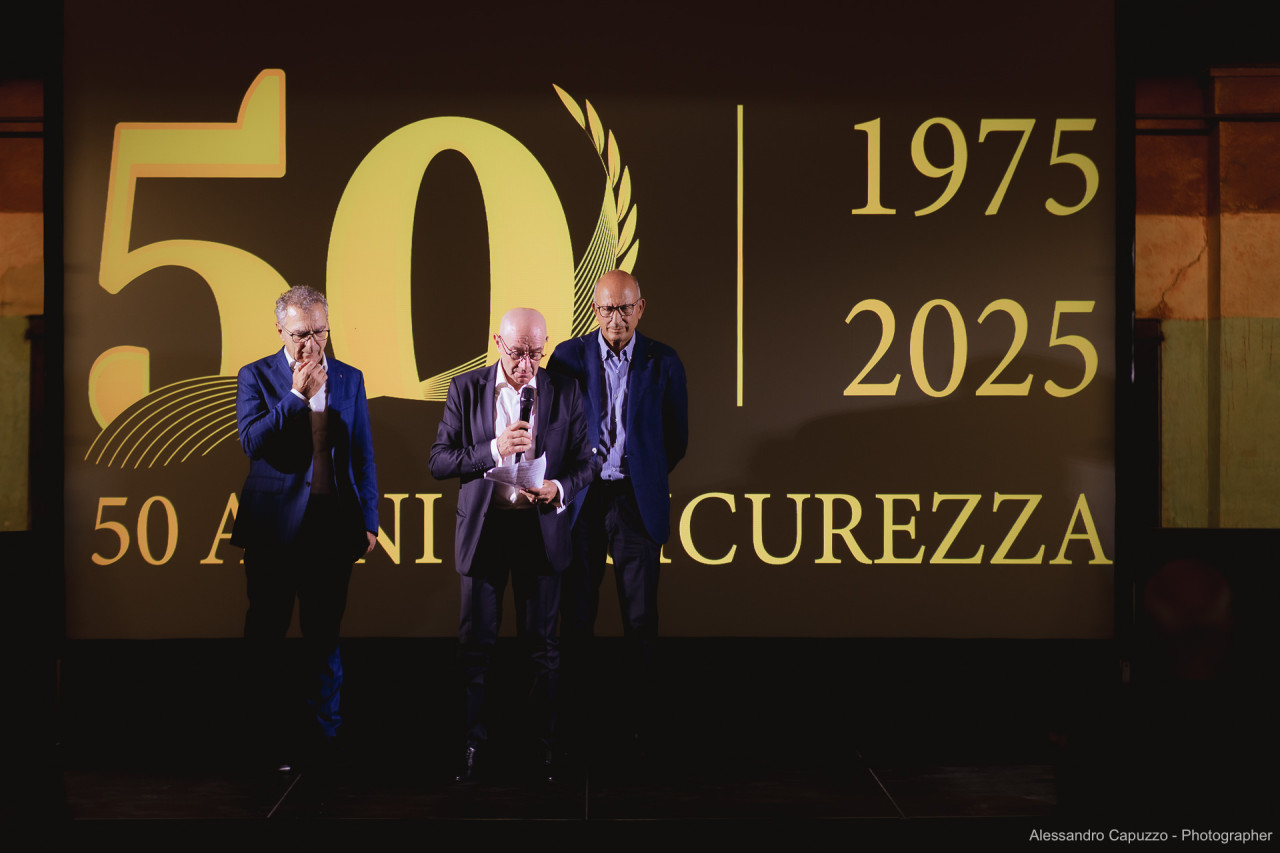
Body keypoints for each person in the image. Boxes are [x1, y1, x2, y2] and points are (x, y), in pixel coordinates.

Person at [429, 307, 595, 783]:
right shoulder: (466, 389)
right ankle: (472, 745)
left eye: (536, 353)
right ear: (497, 342)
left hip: (539, 530)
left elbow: (585, 463)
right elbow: (439, 461)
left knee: (543, 649)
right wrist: (493, 449)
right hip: (486, 530)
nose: (527, 365)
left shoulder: (565, 390)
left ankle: (542, 749)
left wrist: (558, 487)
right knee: (475, 647)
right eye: (518, 352)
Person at [231, 285, 379, 770]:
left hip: (331, 526)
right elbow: (252, 442)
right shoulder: (255, 375)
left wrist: (370, 520)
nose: (311, 344)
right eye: (300, 334)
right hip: (273, 529)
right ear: (280, 331)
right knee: (266, 636)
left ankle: (325, 742)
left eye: (319, 332)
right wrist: (297, 395)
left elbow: (362, 455)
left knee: (325, 638)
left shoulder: (350, 378)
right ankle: (262, 741)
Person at [548, 270, 688, 756]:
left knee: (641, 618)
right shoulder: (567, 357)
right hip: (583, 499)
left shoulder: (663, 361)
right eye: (608, 309)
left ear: (640, 308)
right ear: (595, 310)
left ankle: (642, 727)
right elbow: (554, 429)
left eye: (626, 308)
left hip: (635, 499)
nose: (617, 319)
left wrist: (642, 471)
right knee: (577, 616)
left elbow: (676, 438)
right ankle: (575, 724)